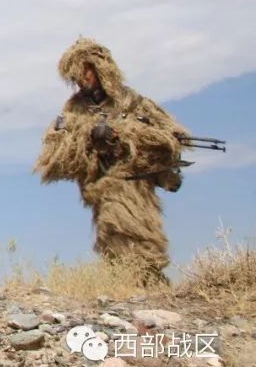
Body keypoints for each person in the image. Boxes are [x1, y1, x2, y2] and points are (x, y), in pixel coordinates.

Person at [35, 37, 192, 285]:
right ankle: (132, 284)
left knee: (145, 233)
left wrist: (129, 135)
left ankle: (149, 283)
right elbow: (55, 152)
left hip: (137, 183)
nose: (80, 80)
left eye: (84, 72)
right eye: (75, 76)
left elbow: (170, 136)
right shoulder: (73, 111)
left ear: (100, 68)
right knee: (114, 231)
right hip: (104, 185)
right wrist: (90, 136)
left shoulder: (134, 103)